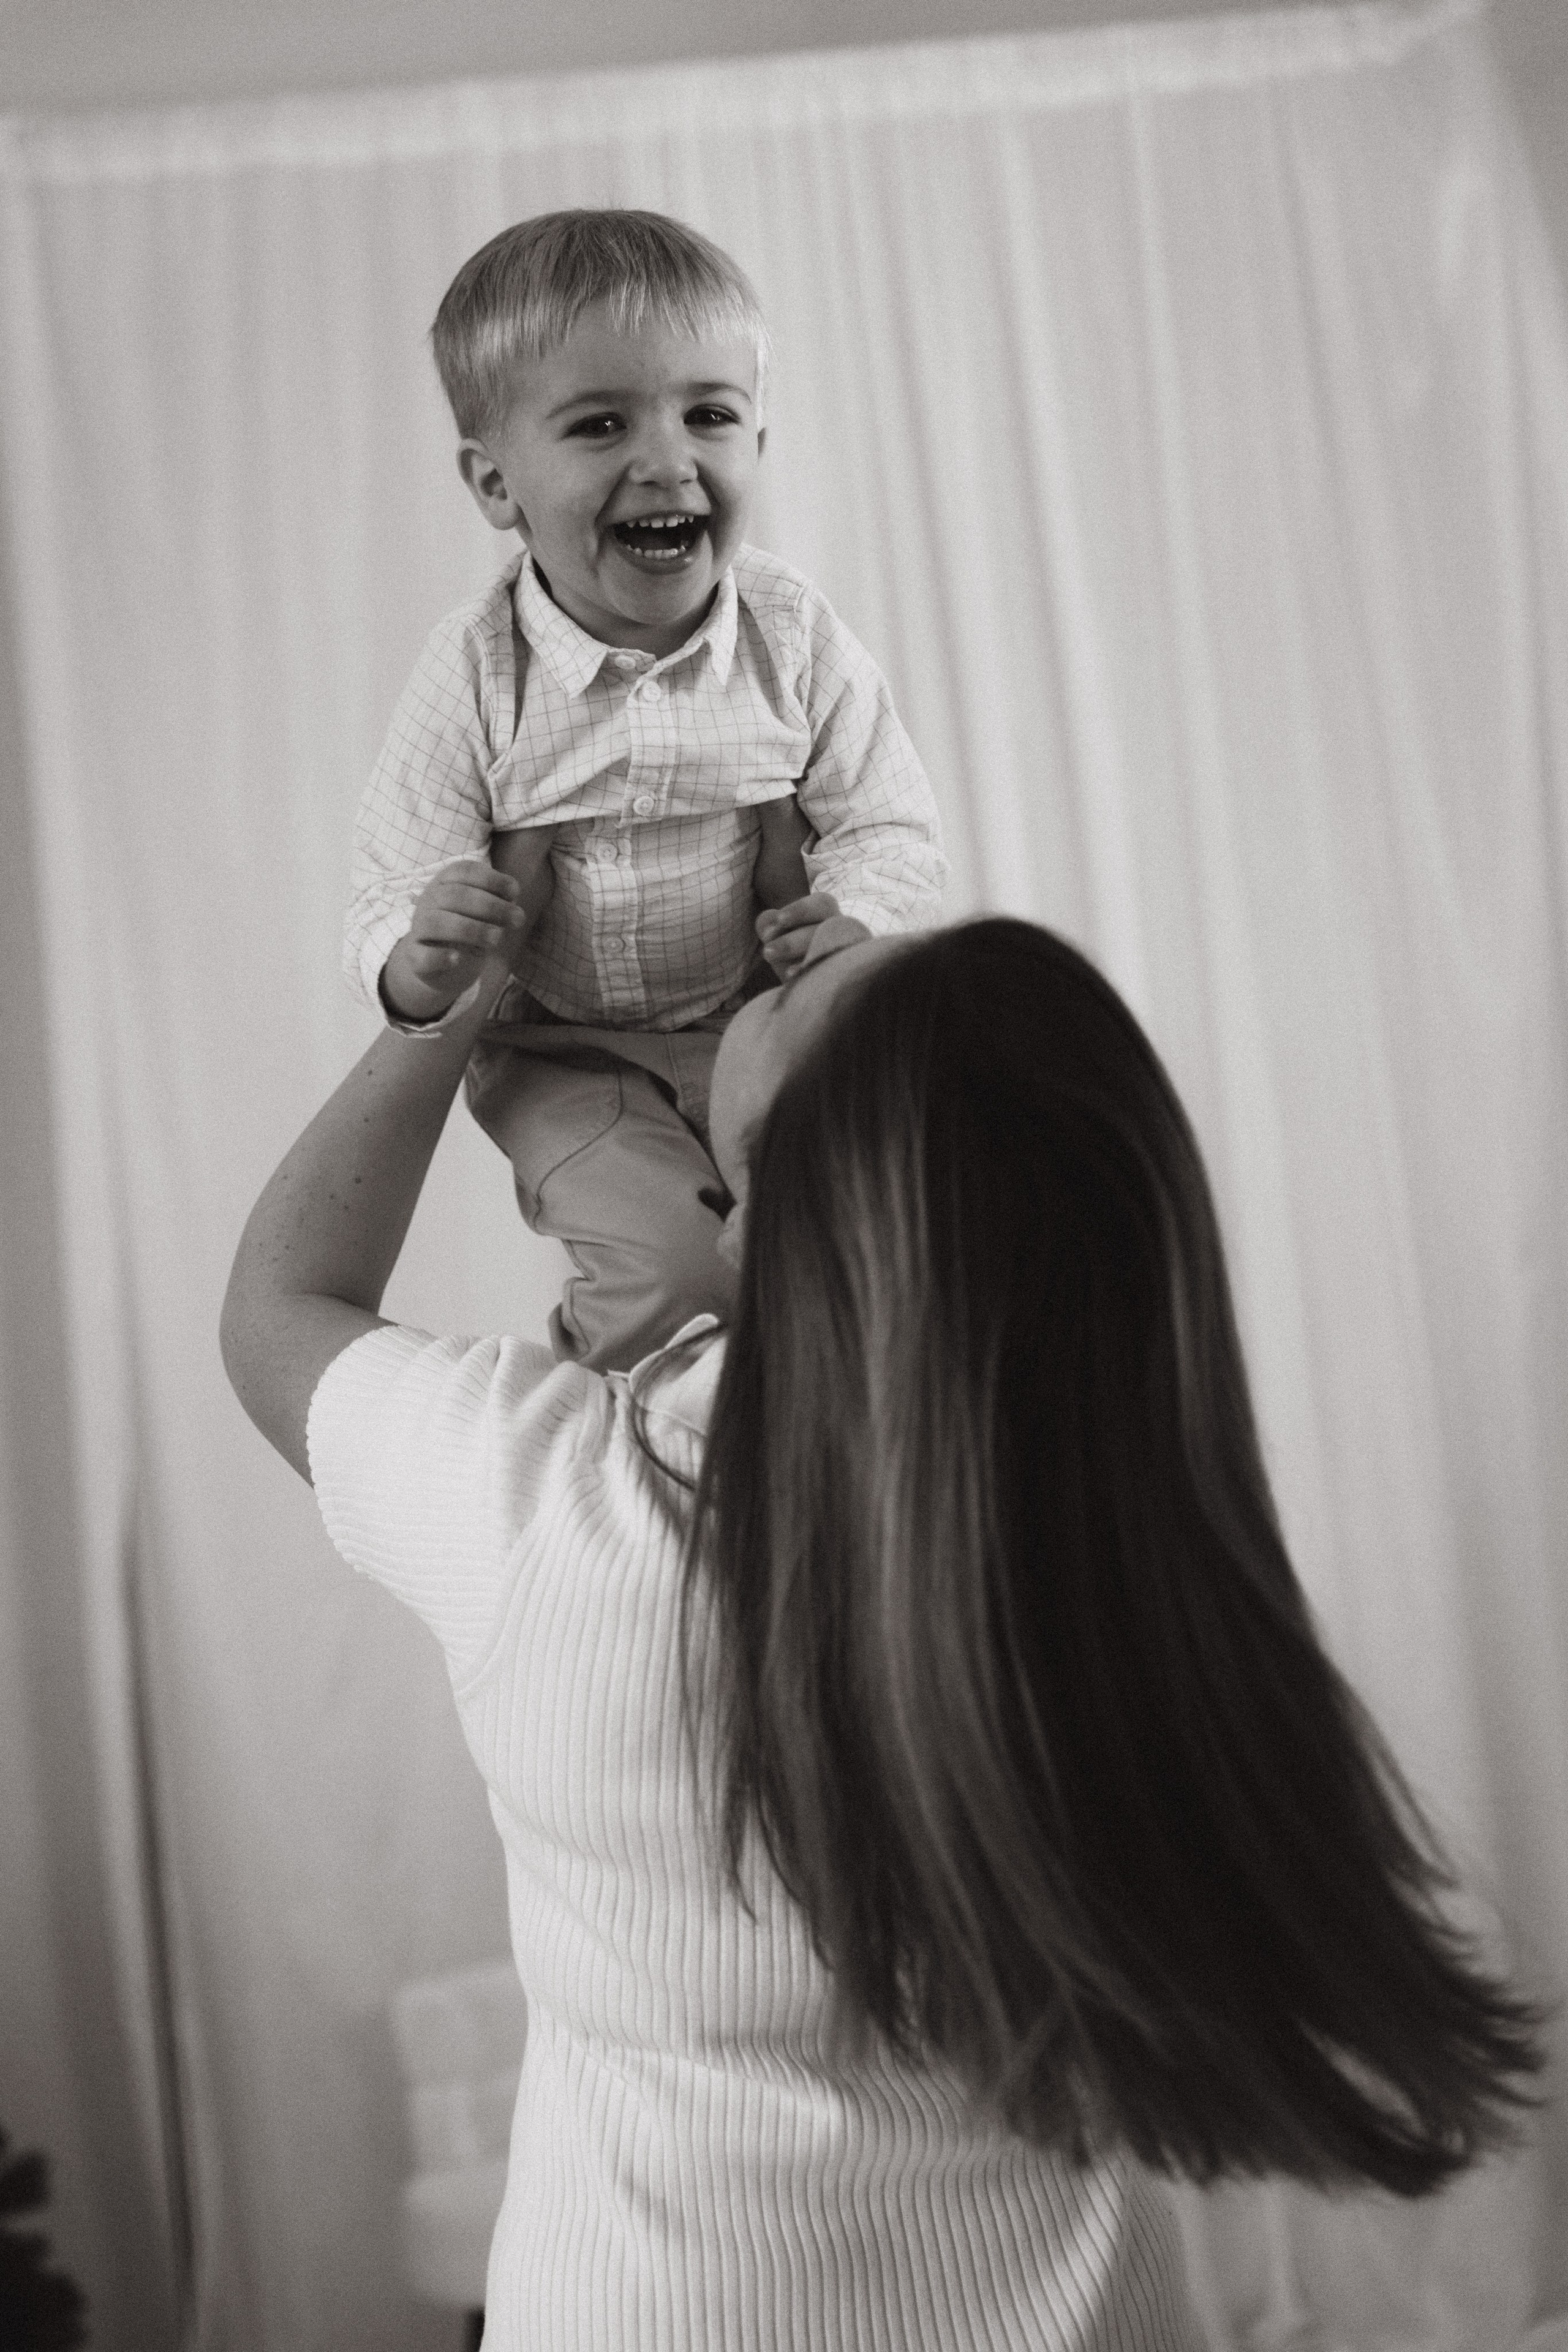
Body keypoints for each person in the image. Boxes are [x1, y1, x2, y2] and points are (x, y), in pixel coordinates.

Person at [222, 901, 1547, 2350]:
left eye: (807, 993)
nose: (795, 953)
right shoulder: (1133, 1572)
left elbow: (283, 1304)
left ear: (789, 1178)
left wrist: (443, 1015)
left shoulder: (552, 1510)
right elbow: (987, 1172)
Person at [345, 208, 946, 1375]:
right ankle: (616, 1453)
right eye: (602, 423)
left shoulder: (795, 634)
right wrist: (413, 962)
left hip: (760, 1028)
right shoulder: (475, 672)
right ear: (496, 483)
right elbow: (396, 873)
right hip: (563, 1056)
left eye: (709, 415)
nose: (668, 460)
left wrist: (862, 912)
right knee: (675, 1271)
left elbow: (889, 820)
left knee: (841, 1259)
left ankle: (807, 1453)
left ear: (759, 445)